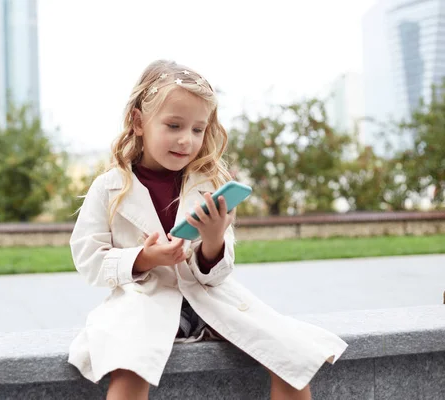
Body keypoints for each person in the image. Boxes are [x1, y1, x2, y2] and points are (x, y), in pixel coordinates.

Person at [68, 60, 347, 400]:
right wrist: (145, 258)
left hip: (210, 303)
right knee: (130, 369)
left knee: (292, 361)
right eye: (174, 125)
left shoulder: (209, 184)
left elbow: (218, 274)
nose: (186, 140)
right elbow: (89, 260)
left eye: (197, 130)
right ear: (139, 122)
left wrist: (213, 238)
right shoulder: (109, 187)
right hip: (145, 303)